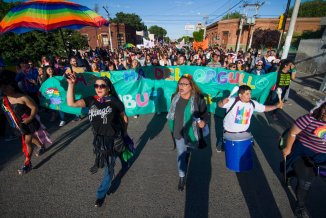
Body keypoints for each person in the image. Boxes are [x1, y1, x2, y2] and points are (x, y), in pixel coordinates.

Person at [66, 73, 128, 207]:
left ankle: (100, 195)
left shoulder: (115, 101)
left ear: (108, 88)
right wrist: (71, 84)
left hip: (113, 138)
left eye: (102, 86)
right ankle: (125, 161)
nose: (98, 88)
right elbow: (71, 103)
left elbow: (124, 118)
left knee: (109, 167)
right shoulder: (92, 100)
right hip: (99, 140)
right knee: (118, 154)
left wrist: (124, 133)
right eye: (96, 85)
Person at [282, 102, 326, 218]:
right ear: (322, 109)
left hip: (322, 157)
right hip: (303, 152)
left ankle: (293, 174)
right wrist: (287, 148)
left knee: (310, 176)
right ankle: (300, 206)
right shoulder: (309, 119)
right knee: (306, 182)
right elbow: (292, 133)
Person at [166, 74, 208, 191]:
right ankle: (182, 177)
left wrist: (203, 121)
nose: (181, 86)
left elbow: (205, 113)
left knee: (189, 147)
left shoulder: (198, 99)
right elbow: (172, 115)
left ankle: (188, 149)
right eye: (180, 84)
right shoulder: (175, 97)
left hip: (191, 132)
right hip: (178, 131)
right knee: (181, 154)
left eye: (185, 84)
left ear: (191, 86)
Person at [0, 70, 45, 174]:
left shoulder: (23, 97)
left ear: (12, 85)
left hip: (28, 123)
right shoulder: (4, 99)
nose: (3, 89)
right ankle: (41, 145)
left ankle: (27, 163)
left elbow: (34, 107)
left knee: (26, 142)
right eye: (2, 87)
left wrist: (30, 118)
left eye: (5, 87)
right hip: (16, 125)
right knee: (30, 139)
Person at [216, 85, 283, 152]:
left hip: (244, 134)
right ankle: (221, 141)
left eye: (250, 94)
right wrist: (222, 102)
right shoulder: (232, 100)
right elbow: (219, 105)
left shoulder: (252, 103)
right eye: (247, 94)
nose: (250, 96)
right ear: (240, 95)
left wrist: (276, 106)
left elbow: (264, 108)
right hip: (228, 134)